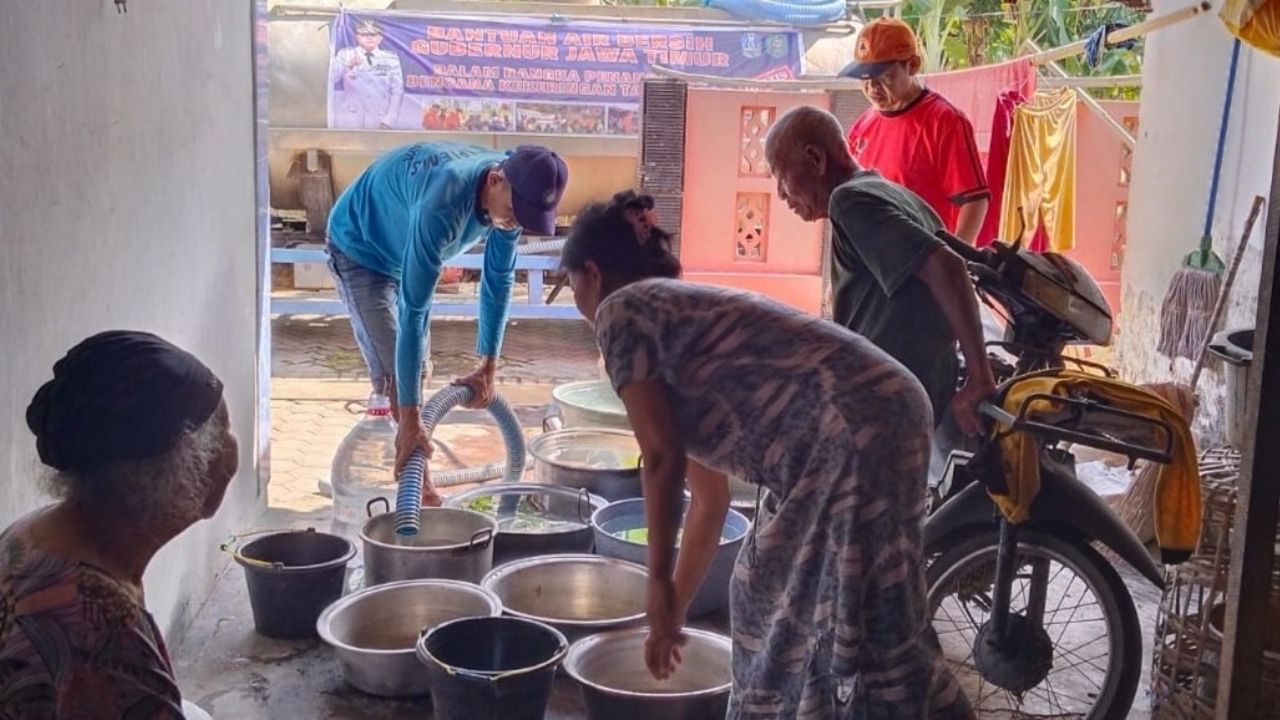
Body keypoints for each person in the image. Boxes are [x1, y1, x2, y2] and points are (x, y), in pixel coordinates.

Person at [561, 191, 972, 719]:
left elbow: (660, 460)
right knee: (775, 594)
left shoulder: (621, 312)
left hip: (852, 433)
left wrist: (659, 583)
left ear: (591, 273)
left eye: (570, 284)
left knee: (830, 615)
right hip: (876, 418)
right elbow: (708, 500)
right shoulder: (673, 324)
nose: (576, 298)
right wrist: (674, 614)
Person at [0, 331, 239, 719]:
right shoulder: (104, 630)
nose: (232, 448)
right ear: (180, 469)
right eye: (221, 432)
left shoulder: (33, 532)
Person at [326, 141, 568, 503]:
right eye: (517, 213)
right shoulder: (443, 202)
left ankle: (413, 477)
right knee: (397, 376)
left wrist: (488, 366)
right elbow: (415, 311)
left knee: (416, 374)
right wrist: (409, 415)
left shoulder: (510, 196)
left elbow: (499, 279)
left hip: (401, 241)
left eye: (528, 218)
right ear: (495, 180)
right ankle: (413, 490)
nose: (516, 223)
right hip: (361, 247)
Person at [766, 106, 996, 482]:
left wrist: (980, 376)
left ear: (814, 158)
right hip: (912, 396)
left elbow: (949, 268)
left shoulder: (850, 202)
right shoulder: (892, 193)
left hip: (889, 406)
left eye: (780, 175)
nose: (781, 194)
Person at [839, 18, 989, 245]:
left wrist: (957, 259)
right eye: (865, 78)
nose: (872, 87)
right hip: (872, 264)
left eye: (885, 76)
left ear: (913, 65)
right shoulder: (863, 126)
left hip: (924, 265)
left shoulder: (945, 121)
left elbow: (975, 200)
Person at [330, 19, 405, 130]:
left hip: (379, 119)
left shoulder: (391, 59)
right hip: (350, 119)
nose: (369, 37)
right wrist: (348, 66)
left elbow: (397, 91)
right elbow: (330, 79)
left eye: (373, 34)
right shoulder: (345, 55)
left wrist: (389, 120)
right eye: (365, 34)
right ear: (357, 36)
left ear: (380, 37)